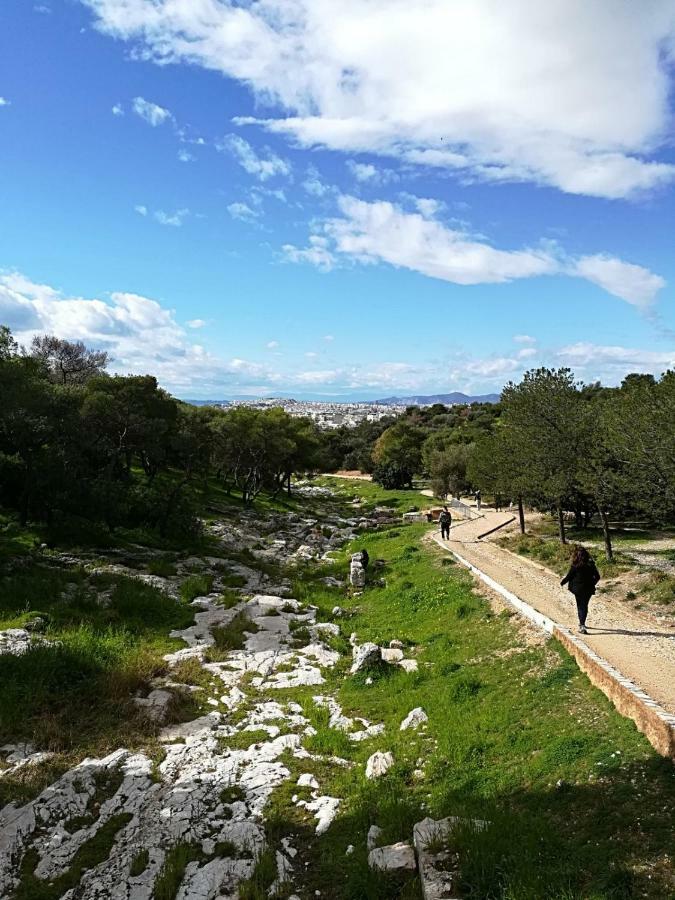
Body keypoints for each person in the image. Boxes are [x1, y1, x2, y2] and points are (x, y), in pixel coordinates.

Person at [560, 545, 600, 635]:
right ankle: (582, 623)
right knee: (584, 606)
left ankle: (582, 625)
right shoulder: (591, 564)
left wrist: (562, 582)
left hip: (577, 589)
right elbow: (598, 577)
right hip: (588, 588)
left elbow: (569, 576)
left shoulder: (575, 565)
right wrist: (592, 583)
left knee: (580, 606)